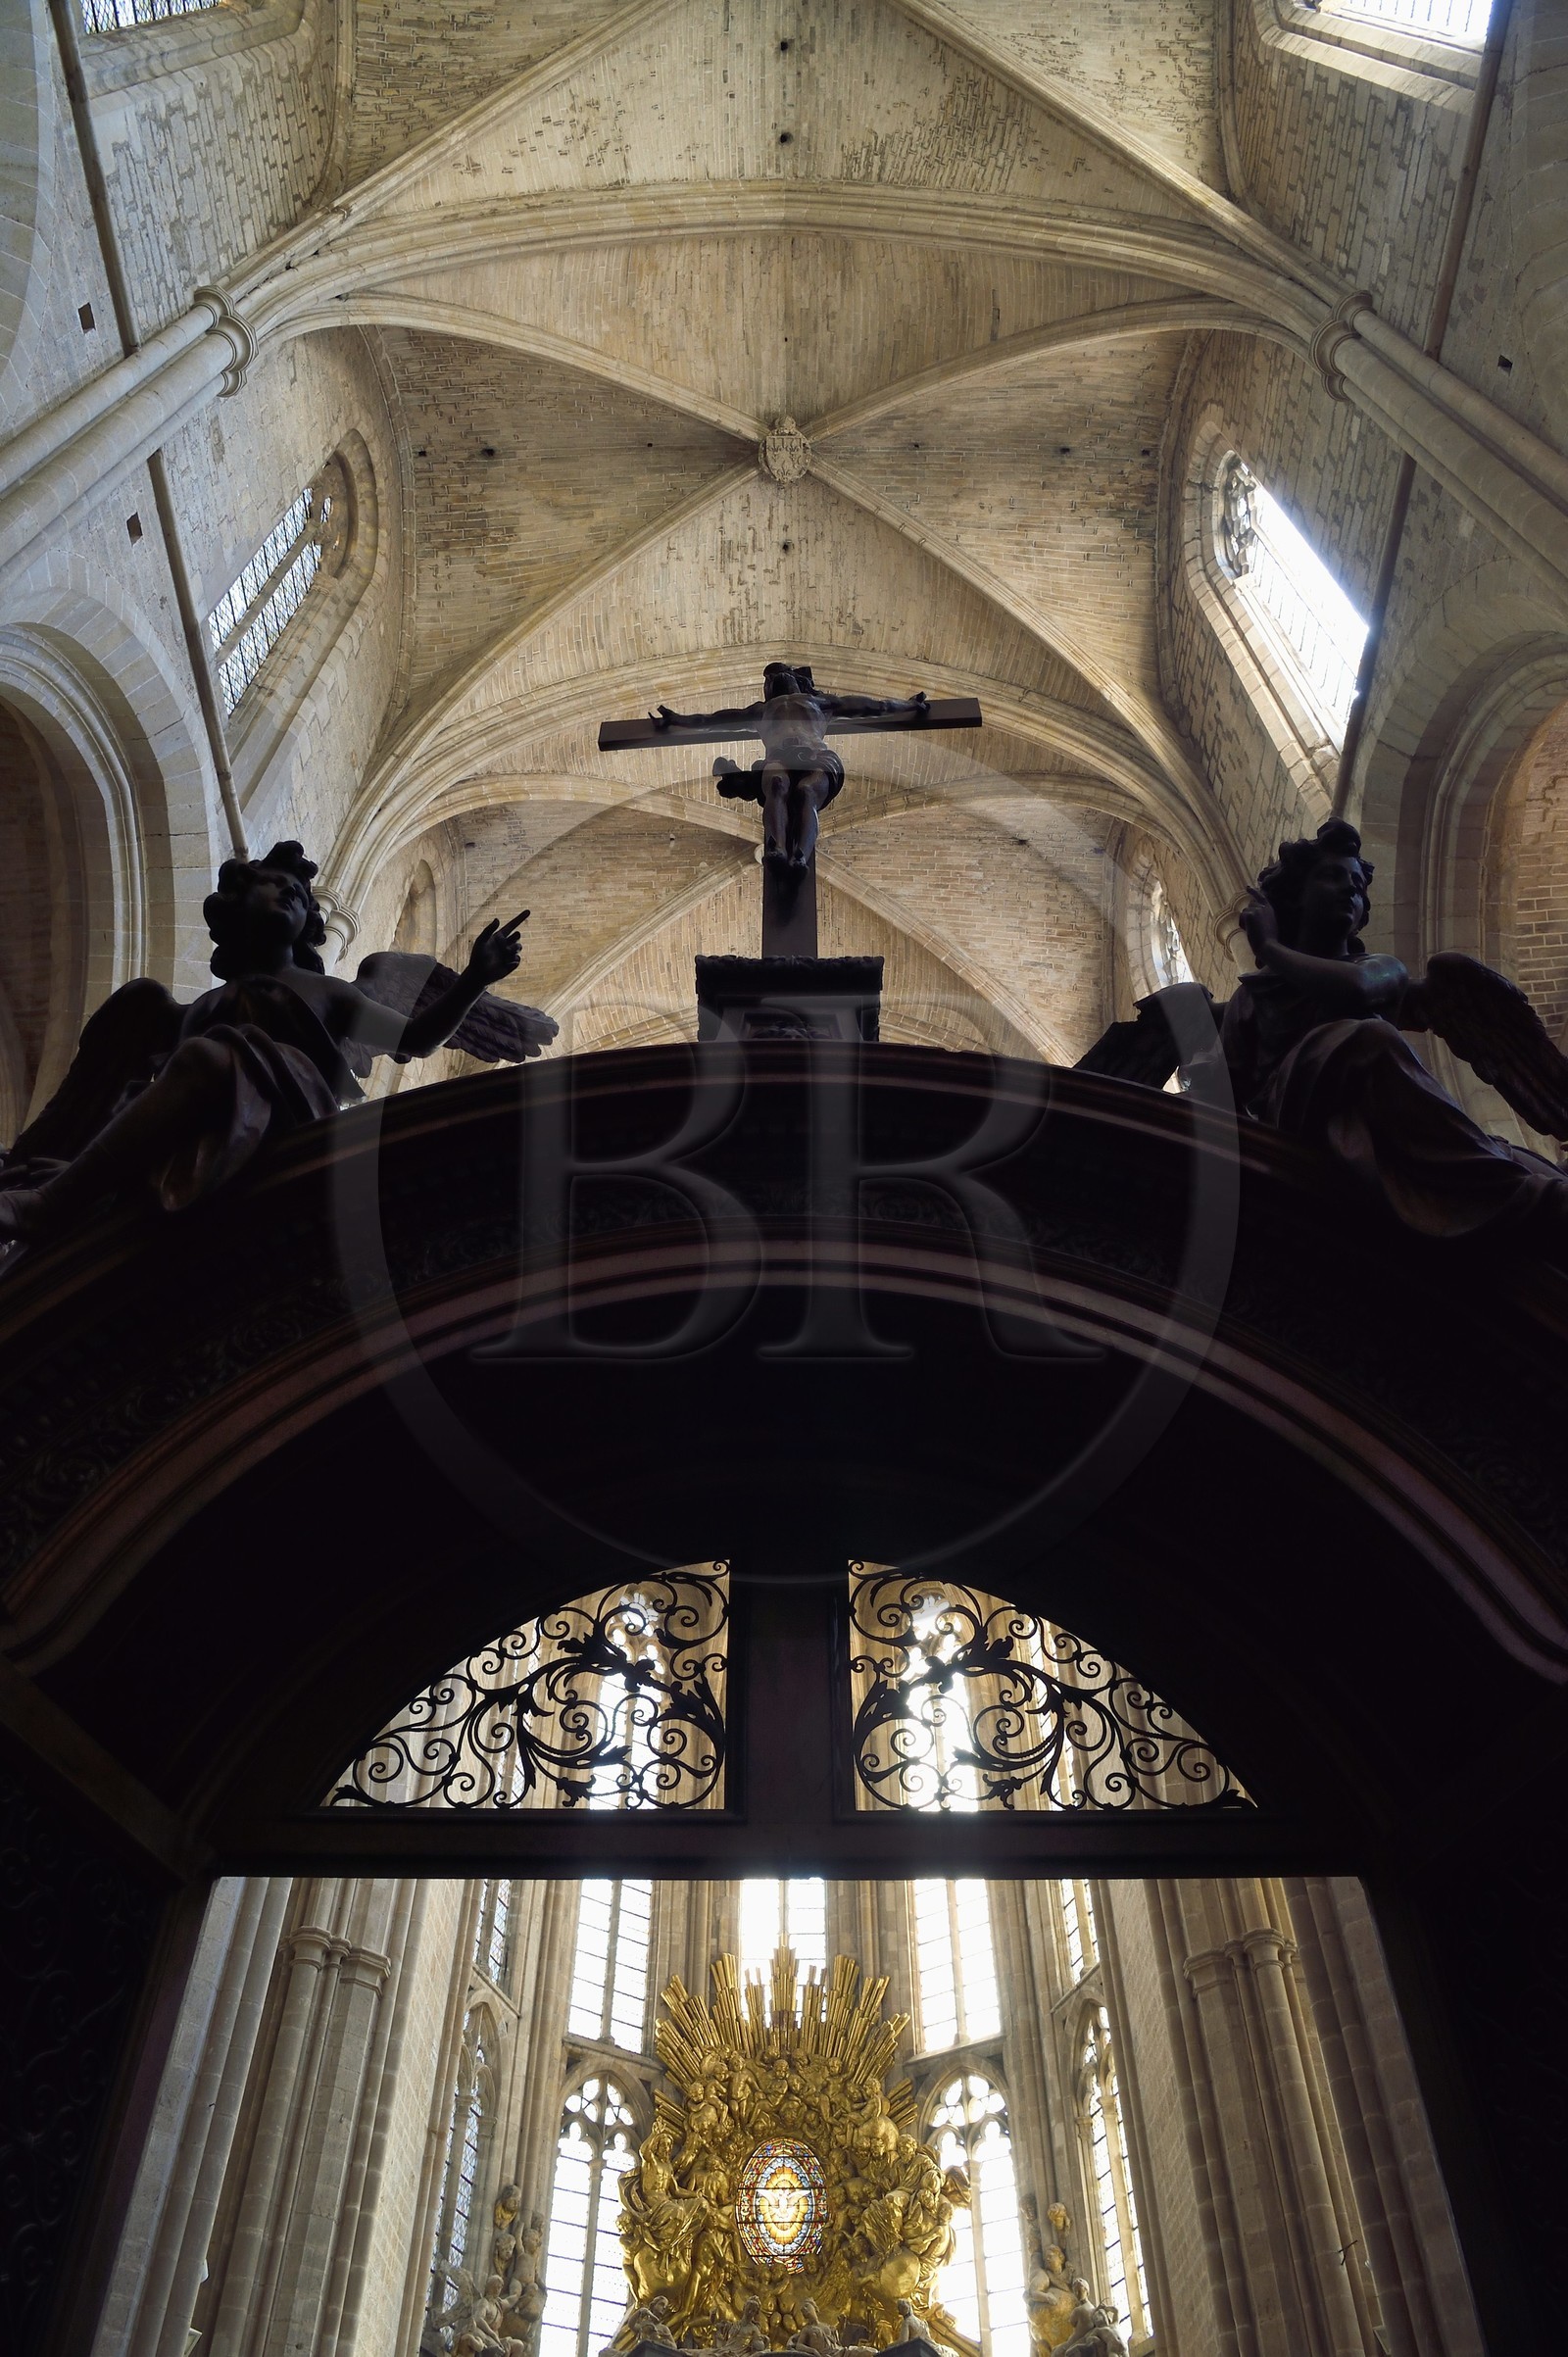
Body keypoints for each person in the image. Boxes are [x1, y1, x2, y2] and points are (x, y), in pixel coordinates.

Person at [0, 842, 528, 1243]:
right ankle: (83, 1184)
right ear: (237, 903)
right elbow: (114, 1093)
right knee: (181, 1060)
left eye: (298, 895)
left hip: (287, 1113)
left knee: (211, 1055)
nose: (288, 894)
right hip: (196, 1125)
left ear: (306, 925)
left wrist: (473, 980)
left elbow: (416, 1037)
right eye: (275, 885)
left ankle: (50, 1204)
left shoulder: (329, 993)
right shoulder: (185, 1010)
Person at [1223, 818, 1568, 1242]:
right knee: (1367, 1038)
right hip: (1294, 1127)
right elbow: (1227, 1090)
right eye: (1332, 877)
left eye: (1357, 885)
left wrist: (1271, 949)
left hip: (1375, 1128)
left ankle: (1509, 1184)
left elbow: (1357, 989)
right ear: (1295, 896)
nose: (1350, 890)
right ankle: (1523, 1196)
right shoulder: (1252, 998)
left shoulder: (1380, 968)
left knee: (1515, 1155)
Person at [650, 663, 930, 872]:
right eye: (773, 677)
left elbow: (875, 706)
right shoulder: (761, 710)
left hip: (817, 755)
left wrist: (908, 705)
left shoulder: (821, 703)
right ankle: (777, 848)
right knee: (776, 784)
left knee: (807, 791)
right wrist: (677, 719)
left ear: (800, 681)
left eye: (783, 673)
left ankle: (800, 856)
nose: (778, 677)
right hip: (780, 756)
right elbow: (711, 720)